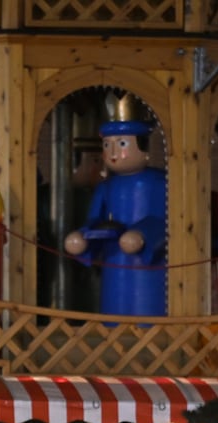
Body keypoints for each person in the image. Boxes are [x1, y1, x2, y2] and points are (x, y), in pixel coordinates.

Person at [63, 94, 167, 317]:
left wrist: (143, 234)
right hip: (115, 259)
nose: (112, 153)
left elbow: (165, 219)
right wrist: (83, 237)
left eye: (121, 144)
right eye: (107, 145)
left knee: (146, 309)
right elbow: (94, 218)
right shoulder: (105, 186)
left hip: (148, 263)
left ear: (143, 146)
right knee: (114, 308)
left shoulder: (159, 181)